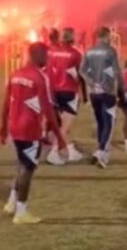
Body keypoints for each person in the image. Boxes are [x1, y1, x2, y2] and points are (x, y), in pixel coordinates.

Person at [0, 42, 64, 225]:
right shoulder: (40, 77)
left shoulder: (15, 75)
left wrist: (3, 128)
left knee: (21, 164)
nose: (48, 59)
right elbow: (48, 109)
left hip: (15, 127)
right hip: (30, 129)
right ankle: (21, 212)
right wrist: (59, 137)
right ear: (38, 55)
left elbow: (6, 103)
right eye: (46, 56)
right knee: (28, 169)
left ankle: (11, 202)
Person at [80, 27, 123, 168]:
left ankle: (100, 149)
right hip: (108, 91)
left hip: (94, 93)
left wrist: (91, 82)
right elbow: (117, 71)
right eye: (109, 36)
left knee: (100, 123)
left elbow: (82, 70)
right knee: (109, 122)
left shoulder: (89, 51)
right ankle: (102, 152)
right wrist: (121, 89)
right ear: (105, 36)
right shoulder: (110, 51)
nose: (111, 39)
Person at [45, 27, 86, 165]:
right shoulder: (76, 54)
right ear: (72, 37)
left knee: (63, 123)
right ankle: (53, 152)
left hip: (53, 91)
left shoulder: (51, 52)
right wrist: (84, 94)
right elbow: (81, 74)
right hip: (69, 91)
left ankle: (71, 151)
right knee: (65, 126)